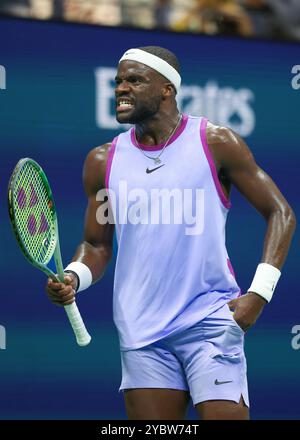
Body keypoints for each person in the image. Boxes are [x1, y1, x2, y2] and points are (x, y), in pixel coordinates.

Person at [45, 46, 296, 420]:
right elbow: (96, 244)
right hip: (141, 331)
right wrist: (74, 276)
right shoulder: (102, 161)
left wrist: (259, 295)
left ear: (167, 89)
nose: (120, 89)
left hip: (210, 320)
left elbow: (281, 213)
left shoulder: (215, 142)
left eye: (134, 80)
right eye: (117, 82)